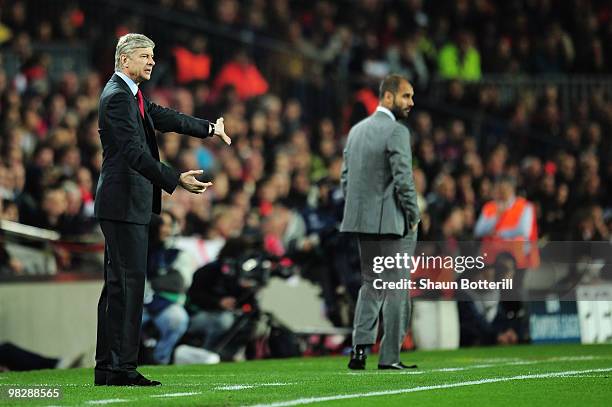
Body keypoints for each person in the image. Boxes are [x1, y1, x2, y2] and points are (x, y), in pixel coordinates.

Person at [94, 33, 231, 387]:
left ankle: (109, 367)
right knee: (127, 287)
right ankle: (121, 368)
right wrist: (175, 180)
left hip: (125, 203)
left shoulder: (131, 96)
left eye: (153, 55)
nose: (152, 61)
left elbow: (165, 117)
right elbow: (134, 154)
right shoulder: (116, 98)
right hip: (123, 203)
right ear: (125, 61)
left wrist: (208, 129)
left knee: (117, 288)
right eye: (145, 56)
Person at [341, 74, 420, 370]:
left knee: (371, 285)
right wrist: (414, 215)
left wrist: (359, 212)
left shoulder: (356, 131)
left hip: (362, 221)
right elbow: (403, 179)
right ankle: (389, 357)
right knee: (397, 287)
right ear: (388, 97)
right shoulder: (397, 131)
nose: (411, 103)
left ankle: (359, 351)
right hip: (392, 223)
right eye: (406, 96)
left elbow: (345, 178)